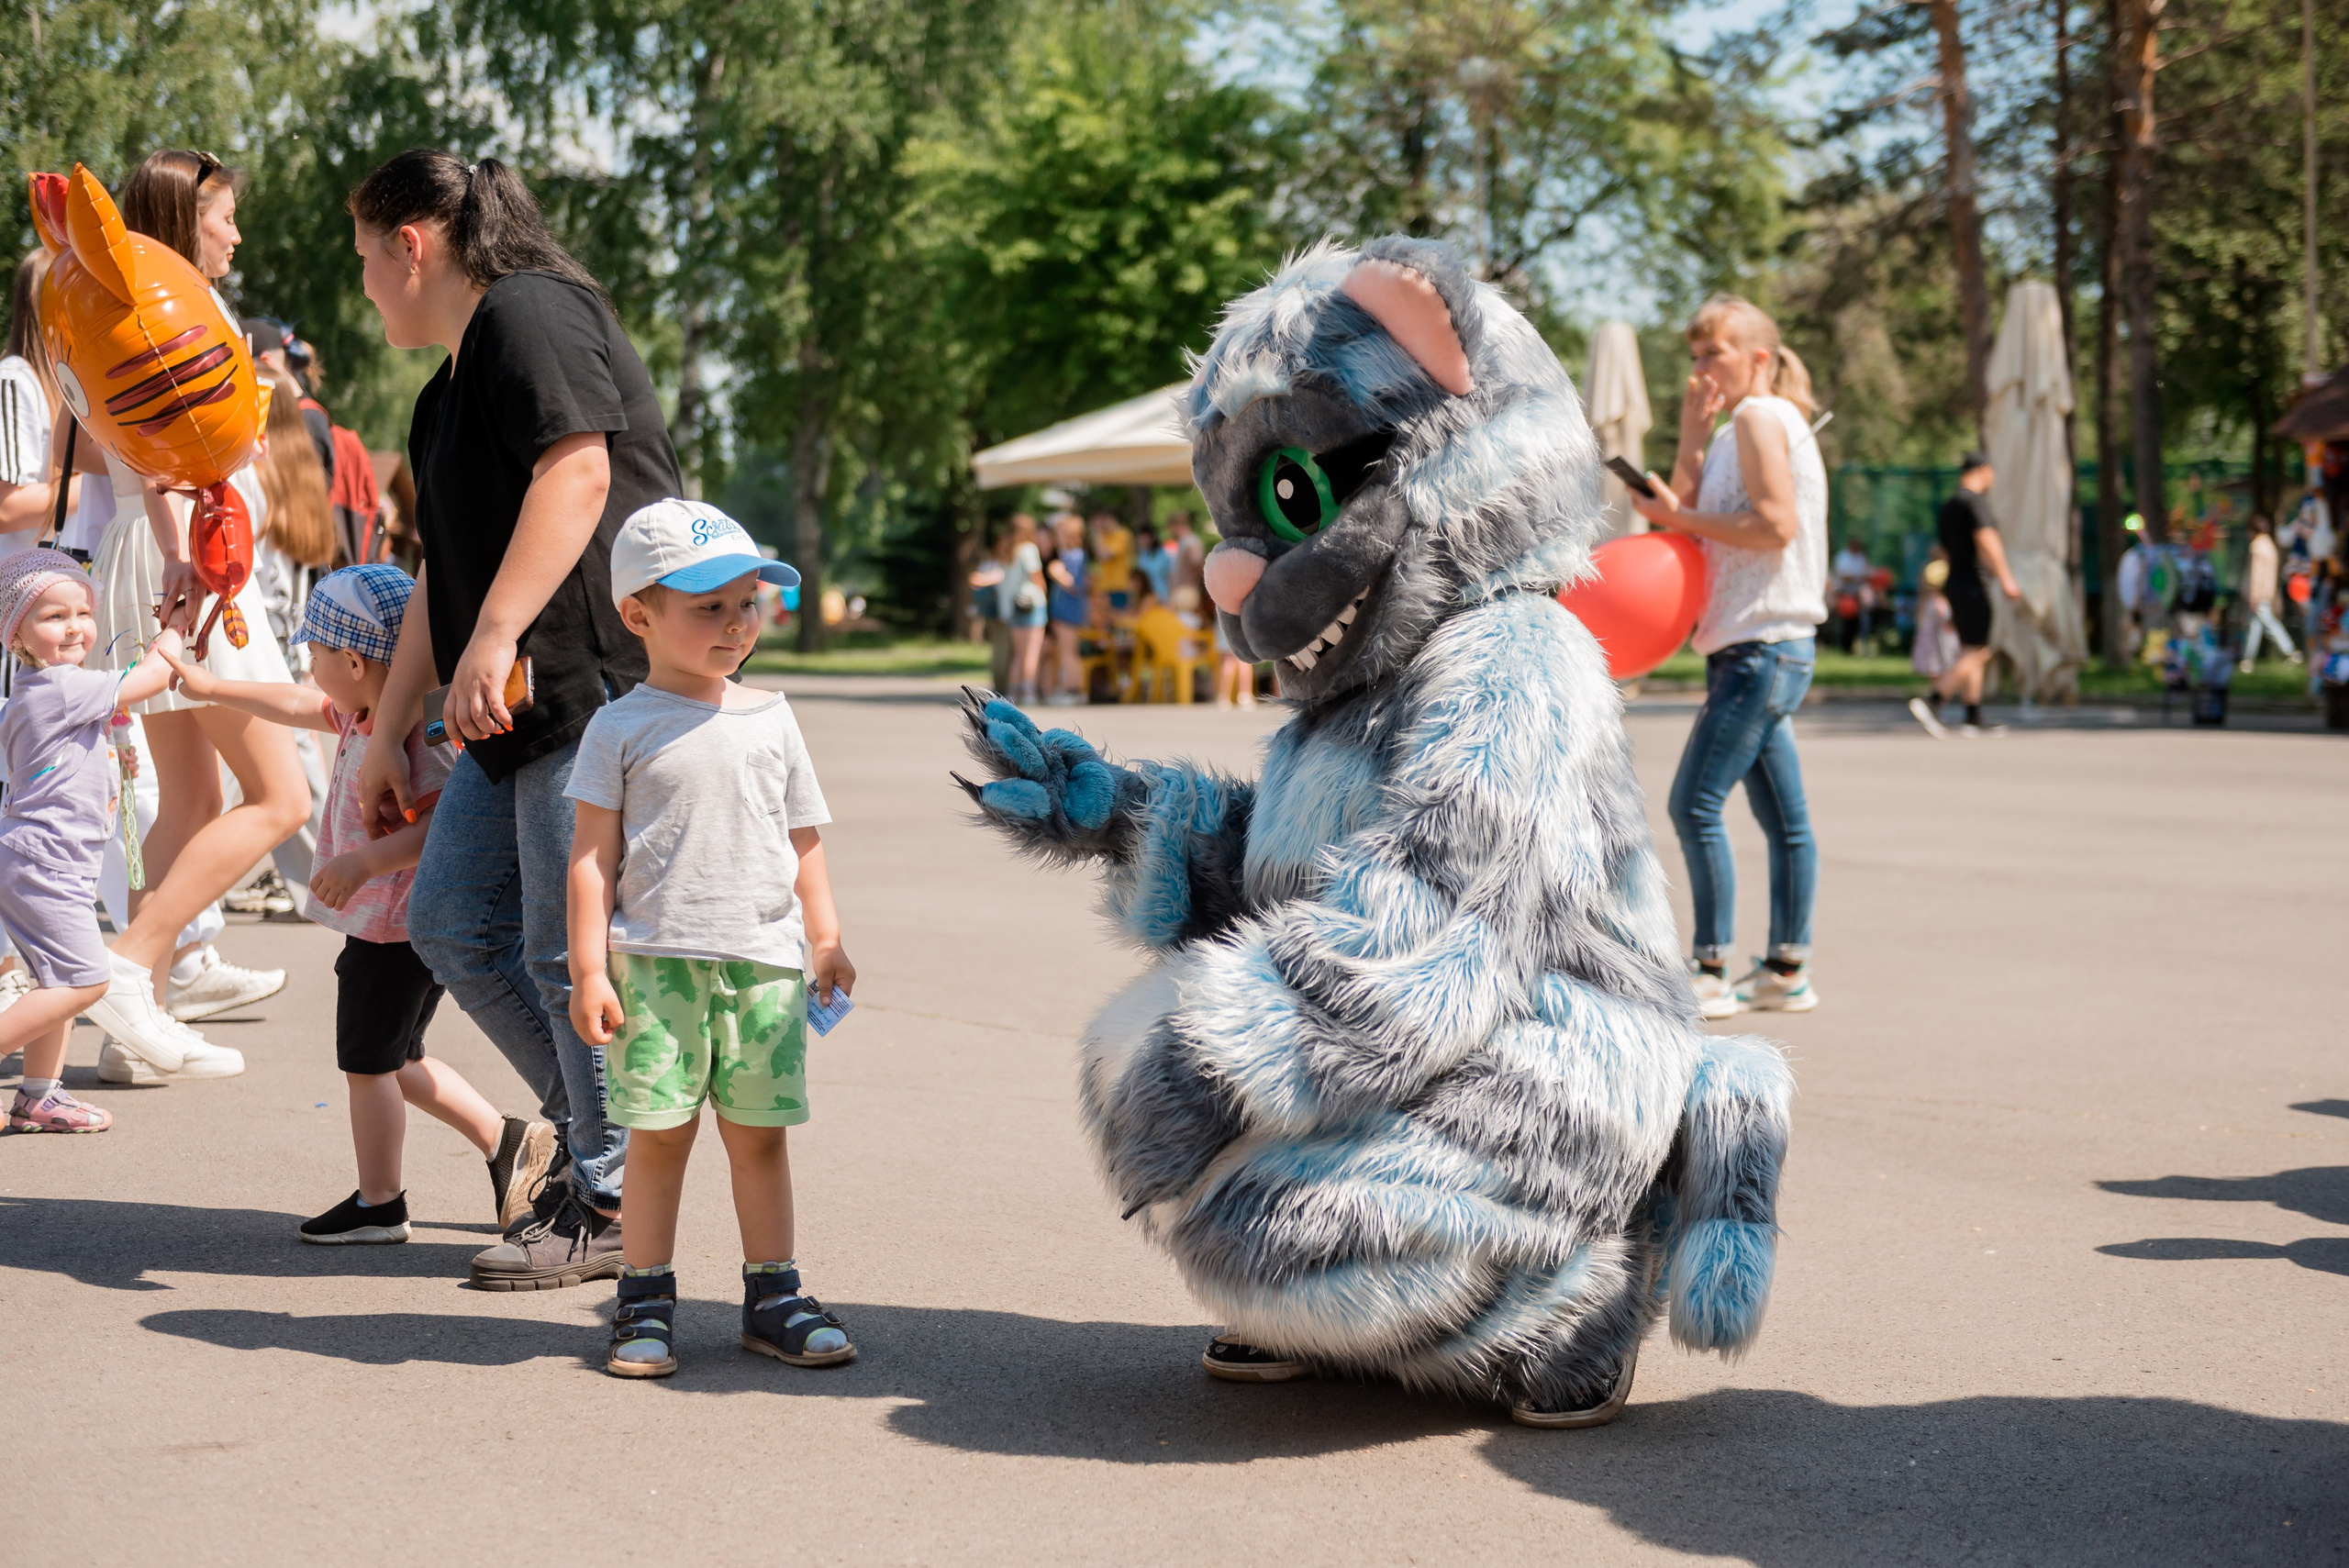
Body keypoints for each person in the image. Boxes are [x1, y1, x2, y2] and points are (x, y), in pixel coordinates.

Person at [348, 150, 684, 1288]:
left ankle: (603, 1187)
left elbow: (579, 474)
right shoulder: (445, 390)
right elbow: (444, 574)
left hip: (583, 680)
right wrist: (395, 724)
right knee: (451, 919)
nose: (364, 286)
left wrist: (493, 641)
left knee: (556, 946)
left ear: (413, 244)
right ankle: (622, 1147)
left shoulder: (529, 313)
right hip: (510, 701)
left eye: (363, 258)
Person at [160, 565, 558, 1236]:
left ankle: (381, 1201)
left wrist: (362, 861)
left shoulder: (419, 738)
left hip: (396, 929)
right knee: (397, 1057)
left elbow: (442, 828)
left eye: (315, 654)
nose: (309, 665)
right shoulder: (368, 712)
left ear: (353, 658)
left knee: (366, 1063)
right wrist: (207, 686)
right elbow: (291, 703)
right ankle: (508, 1139)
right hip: (388, 926)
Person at [564, 501, 856, 1378]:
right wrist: (588, 968)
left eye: (746, 604)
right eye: (709, 607)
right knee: (659, 1137)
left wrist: (828, 936)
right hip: (653, 967)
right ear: (638, 615)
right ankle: (643, 1298)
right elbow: (589, 858)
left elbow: (803, 838)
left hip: (763, 966)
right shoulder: (620, 727)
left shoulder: (771, 717)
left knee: (759, 1136)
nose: (736, 624)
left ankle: (774, 1295)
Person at [87, 150, 305, 1066]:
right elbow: (175, 465)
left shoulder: (118, 303)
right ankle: (131, 968)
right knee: (281, 794)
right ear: (186, 218)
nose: (235, 233)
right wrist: (190, 569)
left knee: (186, 799)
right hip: (199, 561)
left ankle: (136, 1028)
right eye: (223, 215)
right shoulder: (174, 307)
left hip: (169, 554)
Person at [1629, 294, 1827, 1018]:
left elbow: (1773, 525)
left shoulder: (1759, 417)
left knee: (1693, 803)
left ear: (1760, 359)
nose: (1702, 369)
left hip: (1761, 645)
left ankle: (1710, 967)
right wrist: (1690, 433)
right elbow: (1681, 519)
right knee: (1785, 822)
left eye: (1715, 353)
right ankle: (1785, 968)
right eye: (1695, 356)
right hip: (1763, 644)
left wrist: (1680, 516)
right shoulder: (1738, 427)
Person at [0, 550, 191, 1127]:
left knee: (55, 980)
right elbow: (153, 676)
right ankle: (37, 1090)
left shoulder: (48, 687)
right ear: (18, 636)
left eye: (84, 611)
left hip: (48, 861)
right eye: (54, 617)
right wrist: (177, 626)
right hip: (46, 863)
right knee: (86, 981)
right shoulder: (59, 688)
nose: (76, 626)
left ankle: (39, 1095)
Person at [1909, 451, 2021, 738]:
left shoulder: (1949, 506)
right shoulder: (1975, 503)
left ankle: (1973, 714)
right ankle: (1933, 701)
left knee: (1972, 645)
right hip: (1973, 582)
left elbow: (1943, 551)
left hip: (1954, 582)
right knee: (1980, 650)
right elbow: (1988, 539)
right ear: (1983, 470)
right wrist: (2007, 577)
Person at [1, 252, 78, 554]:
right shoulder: (14, 381)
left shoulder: (68, 379)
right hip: (24, 587)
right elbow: (7, 508)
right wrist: (104, 484)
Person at [2240, 514, 2301, 671]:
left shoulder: (2257, 546)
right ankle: (2247, 660)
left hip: (2259, 594)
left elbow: (2256, 574)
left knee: (2268, 623)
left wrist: (2254, 595)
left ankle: (2290, 651)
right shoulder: (2269, 545)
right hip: (2267, 592)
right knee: (2257, 626)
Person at [1002, 513, 1048, 705]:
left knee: (1018, 653)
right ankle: (1029, 691)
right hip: (1032, 604)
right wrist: (1044, 593)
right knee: (1032, 651)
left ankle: (1012, 693)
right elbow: (1035, 575)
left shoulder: (1007, 549)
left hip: (1014, 606)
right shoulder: (1029, 549)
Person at [1045, 512, 1088, 706]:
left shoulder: (1075, 556)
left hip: (1068, 612)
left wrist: (1057, 573)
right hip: (1067, 611)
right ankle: (1072, 689)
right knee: (1067, 652)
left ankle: (1071, 690)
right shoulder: (1073, 555)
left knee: (1068, 653)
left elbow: (1074, 584)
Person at [967, 528, 1016, 693]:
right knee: (1002, 653)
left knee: (1002, 652)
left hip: (1003, 614)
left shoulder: (995, 564)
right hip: (1002, 615)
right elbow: (977, 579)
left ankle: (1003, 686)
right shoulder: (1000, 565)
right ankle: (1002, 687)